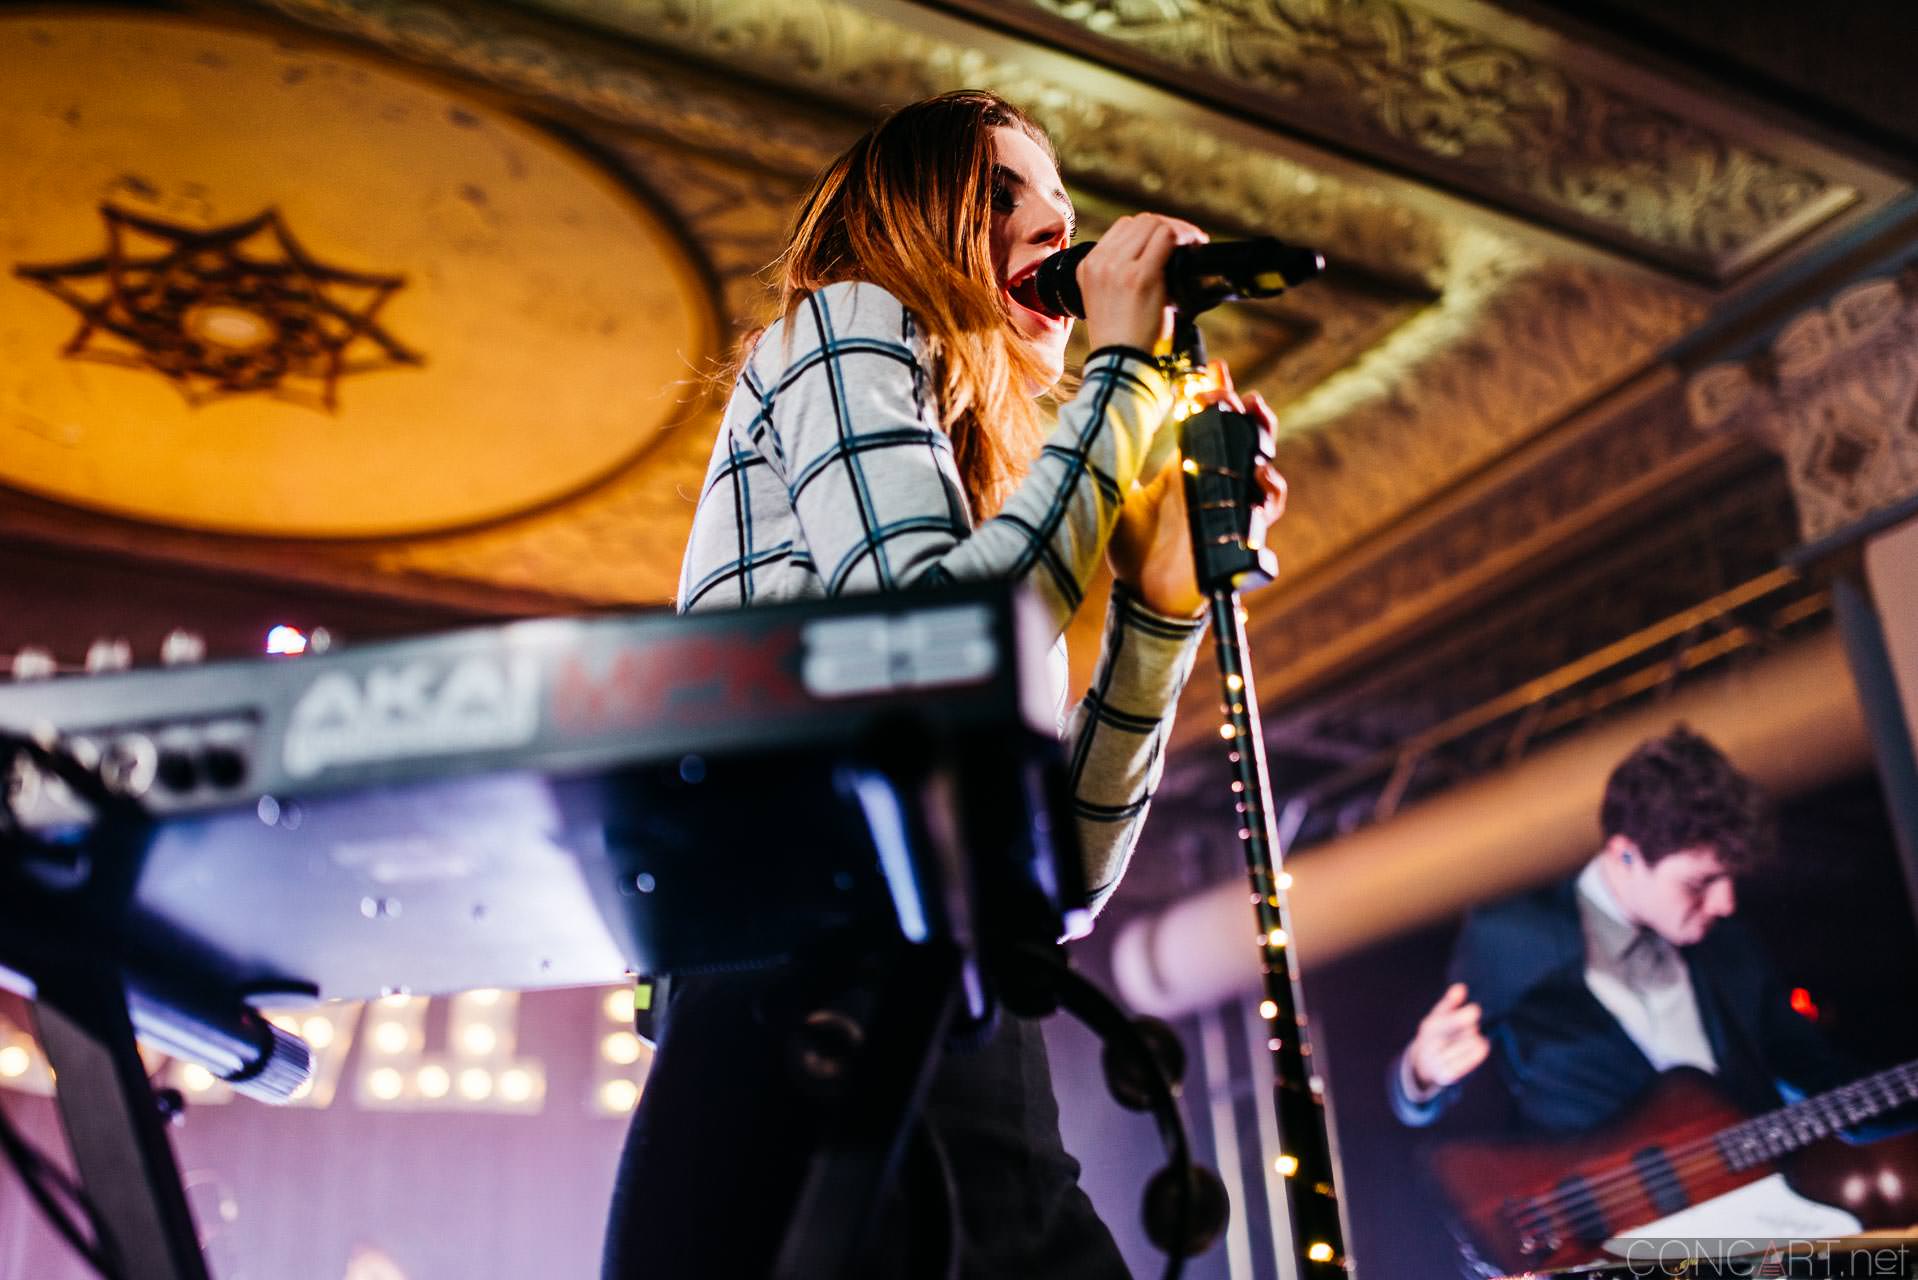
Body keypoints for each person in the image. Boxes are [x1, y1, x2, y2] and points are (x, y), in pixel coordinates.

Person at [602, 90, 1286, 1278]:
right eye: (1001, 197)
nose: (1050, 233)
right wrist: (1123, 365)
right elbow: (929, 640)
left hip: (966, 1035)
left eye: (1062, 211)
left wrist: (1161, 604)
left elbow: (1055, 882)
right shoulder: (842, 321)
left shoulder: (973, 506)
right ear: (909, 225)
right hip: (801, 1003)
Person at [1390, 725, 1895, 1240]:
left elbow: (1827, 1083)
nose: (1726, 904)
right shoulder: (1513, 937)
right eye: (1699, 884)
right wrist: (1422, 1073)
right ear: (1625, 854)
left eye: (1731, 878)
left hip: (1754, 1232)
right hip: (1598, 1242)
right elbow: (1442, 1099)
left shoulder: (1733, 948)